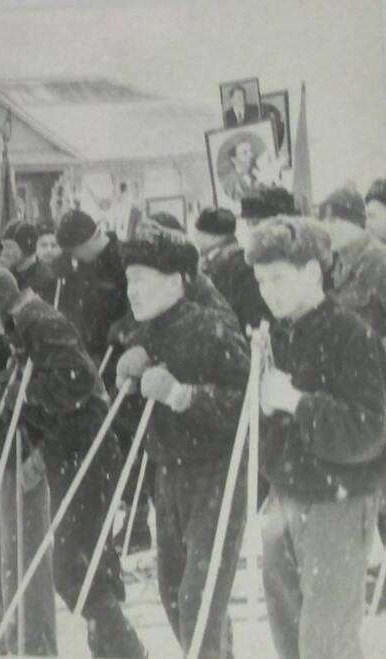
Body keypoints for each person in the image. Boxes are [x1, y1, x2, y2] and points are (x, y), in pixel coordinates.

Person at [0, 263, 147, 658]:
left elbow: (77, 381)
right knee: (82, 560)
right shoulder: (23, 324)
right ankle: (112, 646)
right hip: (70, 447)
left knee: (75, 563)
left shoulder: (40, 321)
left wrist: (23, 393)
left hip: (86, 447)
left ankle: (126, 650)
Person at [245, 216, 386, 659]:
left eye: (278, 278)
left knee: (326, 644)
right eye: (261, 280)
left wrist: (296, 402)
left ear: (312, 272)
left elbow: (369, 430)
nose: (268, 290)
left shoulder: (351, 335)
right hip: (284, 498)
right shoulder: (277, 335)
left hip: (335, 504)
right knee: (289, 636)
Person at [117, 230, 250, 659]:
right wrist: (126, 379)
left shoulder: (213, 327)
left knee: (200, 594)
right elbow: (134, 412)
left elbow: (248, 403)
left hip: (216, 472)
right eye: (128, 281)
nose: (132, 290)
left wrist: (183, 395)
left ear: (175, 282)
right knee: (173, 590)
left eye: (142, 279)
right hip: (168, 470)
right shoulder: (148, 332)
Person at [55, 209, 128, 367]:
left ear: (88, 240)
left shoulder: (125, 259)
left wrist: (123, 326)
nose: (74, 257)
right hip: (88, 353)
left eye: (74, 251)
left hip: (117, 354)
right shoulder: (84, 262)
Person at [317, 186, 386, 335]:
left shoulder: (379, 260)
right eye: (323, 221)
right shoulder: (331, 263)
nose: (327, 228)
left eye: (334, 220)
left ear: (356, 222)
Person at [194, 207, 270, 331]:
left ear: (212, 235)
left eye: (198, 233)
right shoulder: (229, 259)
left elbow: (253, 312)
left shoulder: (237, 262)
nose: (196, 238)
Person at [0, 221, 58, 305]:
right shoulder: (8, 274)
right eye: (4, 247)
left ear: (26, 246)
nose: (4, 252)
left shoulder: (44, 279)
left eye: (10, 247)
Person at [220, 137, 261, 202]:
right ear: (234, 160)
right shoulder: (228, 183)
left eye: (251, 151)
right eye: (245, 153)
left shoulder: (256, 176)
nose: (251, 155)